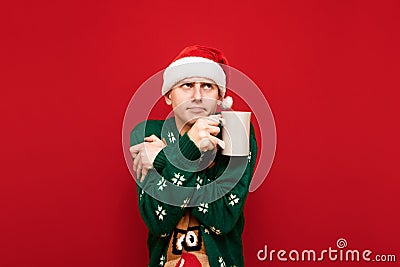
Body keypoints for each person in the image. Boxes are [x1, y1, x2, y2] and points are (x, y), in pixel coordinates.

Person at [129, 45, 257, 267]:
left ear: (219, 96)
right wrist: (190, 147)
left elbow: (223, 217)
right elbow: (158, 221)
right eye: (187, 85)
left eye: (207, 86)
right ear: (169, 95)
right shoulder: (146, 133)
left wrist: (166, 158)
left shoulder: (237, 131)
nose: (197, 96)